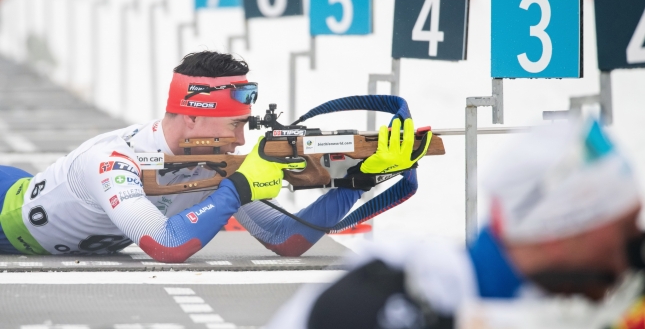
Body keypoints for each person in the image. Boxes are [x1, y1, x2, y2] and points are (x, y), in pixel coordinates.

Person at [0, 51, 427, 263]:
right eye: (234, 125)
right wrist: (238, 189)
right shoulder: (112, 160)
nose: (242, 139)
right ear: (190, 119)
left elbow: (286, 239)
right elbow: (167, 246)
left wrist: (357, 183)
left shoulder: (212, 164)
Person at [266, 118, 644, 329]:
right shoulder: (389, 290)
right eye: (623, 233)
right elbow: (291, 238)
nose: (631, 255)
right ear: (560, 235)